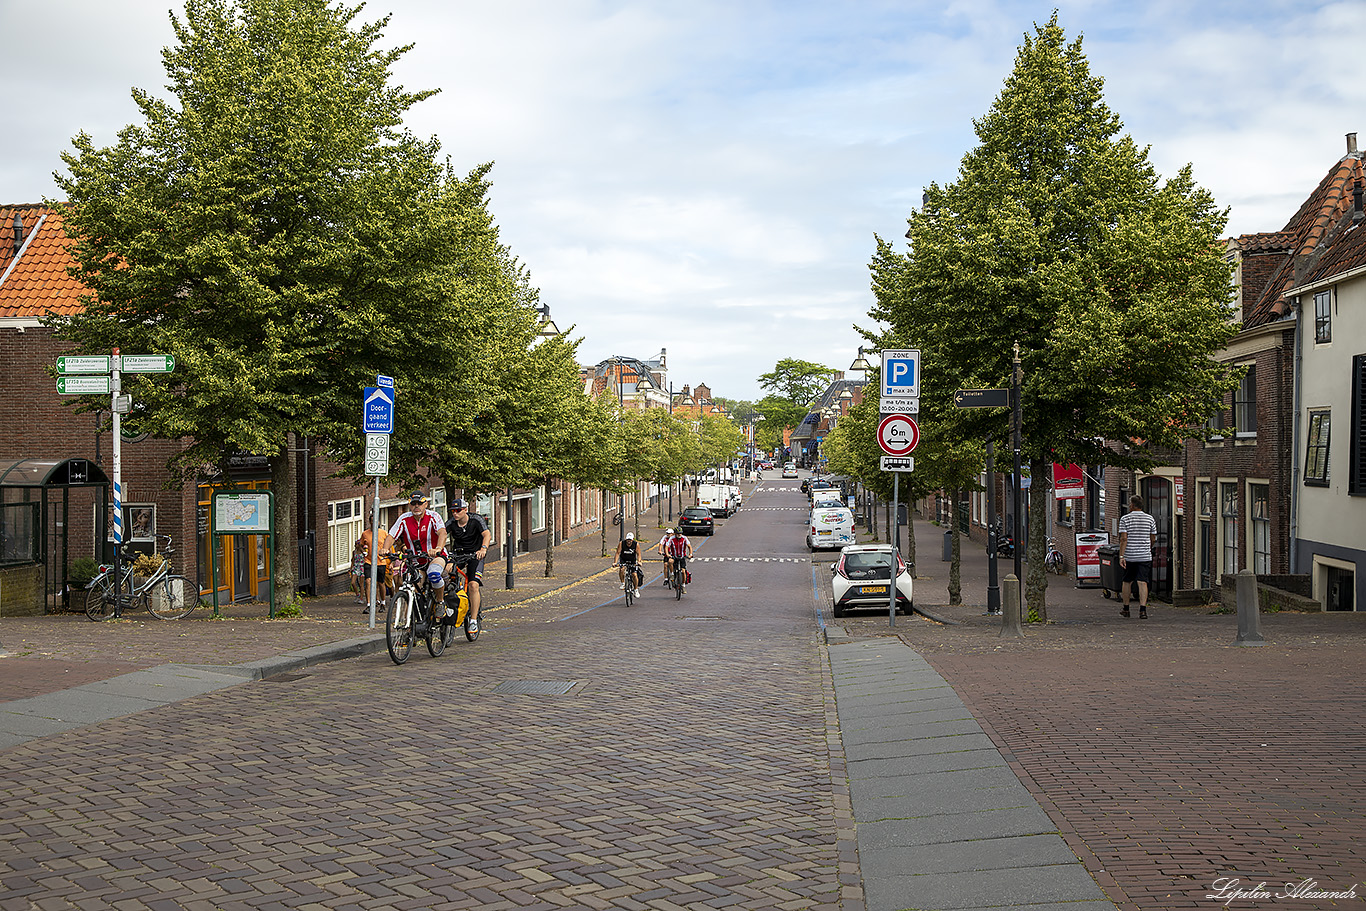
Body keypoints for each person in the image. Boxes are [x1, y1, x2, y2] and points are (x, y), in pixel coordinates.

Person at [388, 491, 448, 617]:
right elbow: (392, 535)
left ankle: (440, 602)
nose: (416, 506)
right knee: (412, 587)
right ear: (409, 505)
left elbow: (442, 533)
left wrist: (438, 548)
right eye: (413, 504)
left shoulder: (433, 516)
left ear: (425, 504)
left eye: (419, 503)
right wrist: (385, 549)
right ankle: (408, 625)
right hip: (416, 561)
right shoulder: (404, 519)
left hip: (435, 557)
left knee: (434, 574)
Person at [443, 497, 491, 633]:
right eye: (453, 511)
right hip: (458, 554)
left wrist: (483, 549)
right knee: (447, 571)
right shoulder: (452, 523)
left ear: (465, 510)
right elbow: (440, 534)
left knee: (473, 585)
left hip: (475, 555)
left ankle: (474, 620)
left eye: (458, 510)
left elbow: (487, 534)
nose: (455, 513)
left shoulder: (476, 520)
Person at [1117, 494, 1158, 619]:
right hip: (1145, 555)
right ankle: (1143, 610)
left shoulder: (1125, 519)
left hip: (1130, 555)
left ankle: (1126, 608)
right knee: (1142, 581)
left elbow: (1124, 539)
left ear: (1132, 505)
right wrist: (1148, 547)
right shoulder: (1150, 519)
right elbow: (1153, 538)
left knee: (1127, 581)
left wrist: (1121, 556)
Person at [353, 523, 395, 607]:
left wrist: (391, 563)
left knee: (381, 583)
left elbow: (390, 549)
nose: (373, 524)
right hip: (368, 561)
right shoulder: (365, 534)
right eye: (372, 522)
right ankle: (369, 604)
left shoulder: (384, 533)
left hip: (381, 561)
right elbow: (360, 545)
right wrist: (363, 552)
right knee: (368, 581)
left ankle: (382, 602)